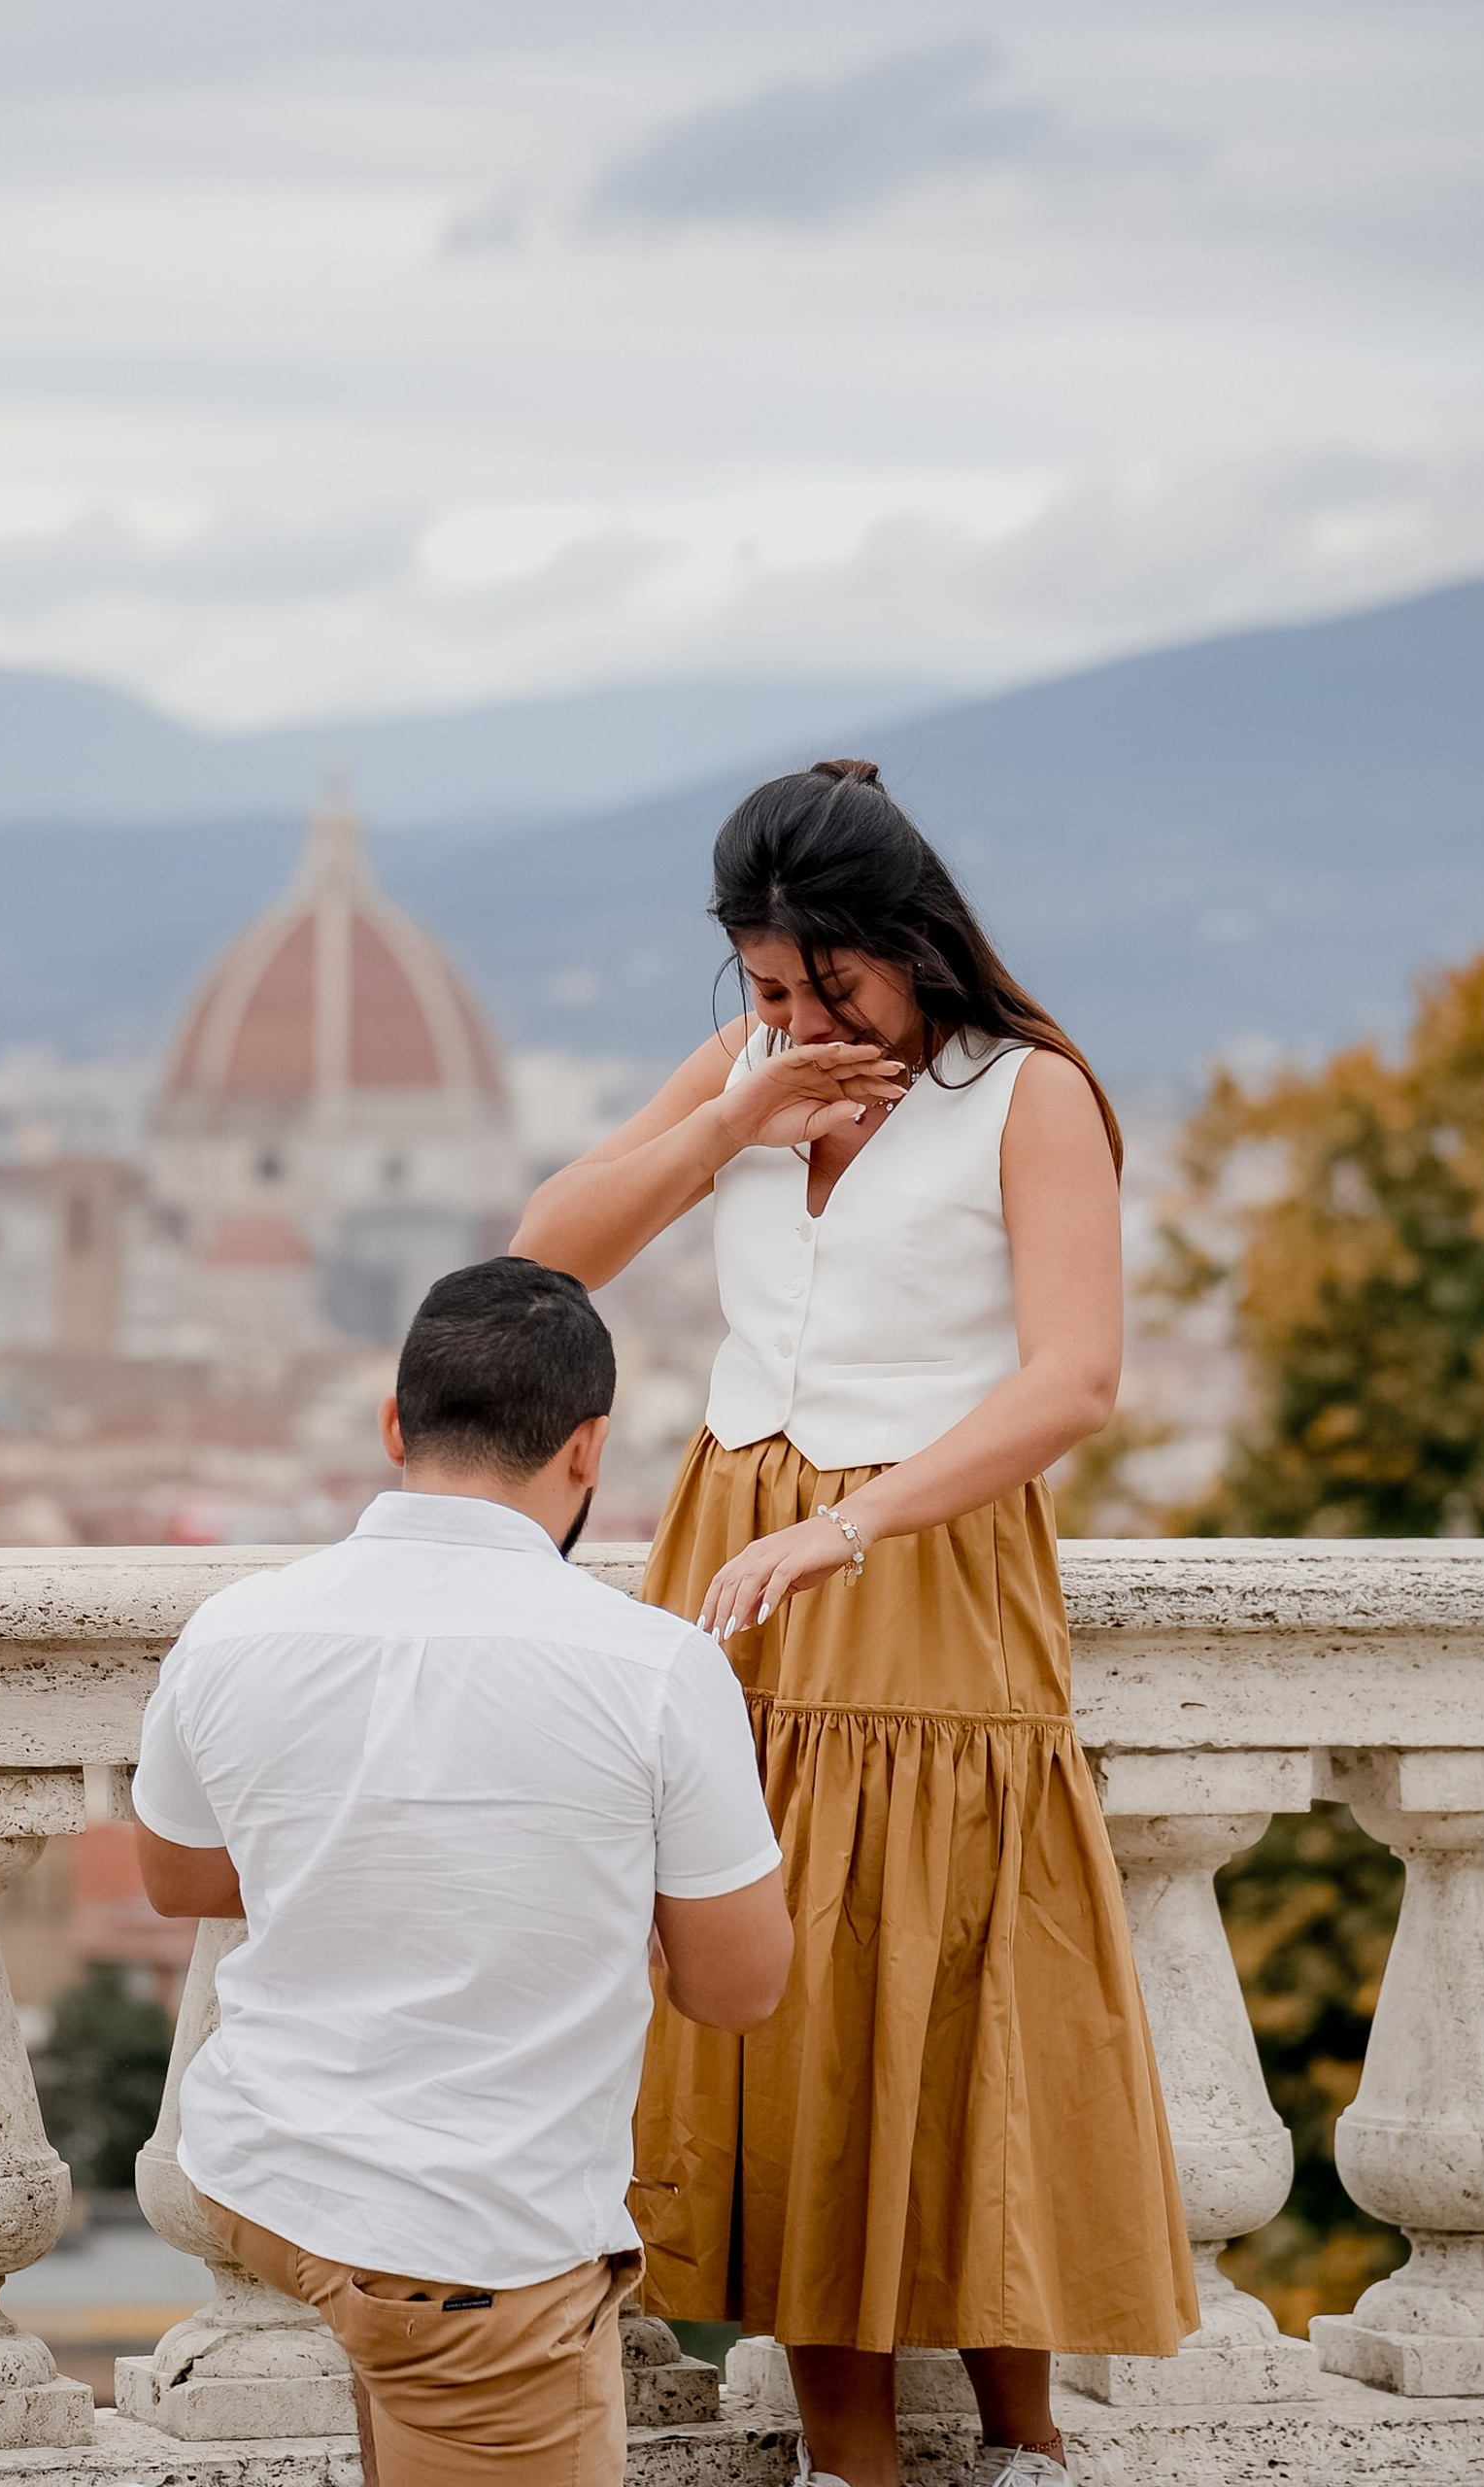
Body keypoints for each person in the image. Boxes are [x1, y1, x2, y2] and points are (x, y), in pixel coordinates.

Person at [511, 761, 1195, 2487]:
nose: (804, 1015)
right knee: (785, 1991)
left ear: (913, 944)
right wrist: (739, 1112)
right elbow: (544, 1254)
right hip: (737, 1562)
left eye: (834, 983)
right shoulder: (750, 1071)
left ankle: (1025, 2444)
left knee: (961, 1982)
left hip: (928, 1560)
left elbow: (1075, 1379)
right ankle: (846, 2455)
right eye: (769, 986)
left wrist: (856, 1528)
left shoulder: (1028, 1094)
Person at [134, 1255, 793, 2487]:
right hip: (476, 2241)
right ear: (589, 1447)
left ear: (395, 1423)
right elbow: (739, 1986)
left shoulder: (235, 1627)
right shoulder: (653, 1669)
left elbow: (176, 1878)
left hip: (266, 2172)